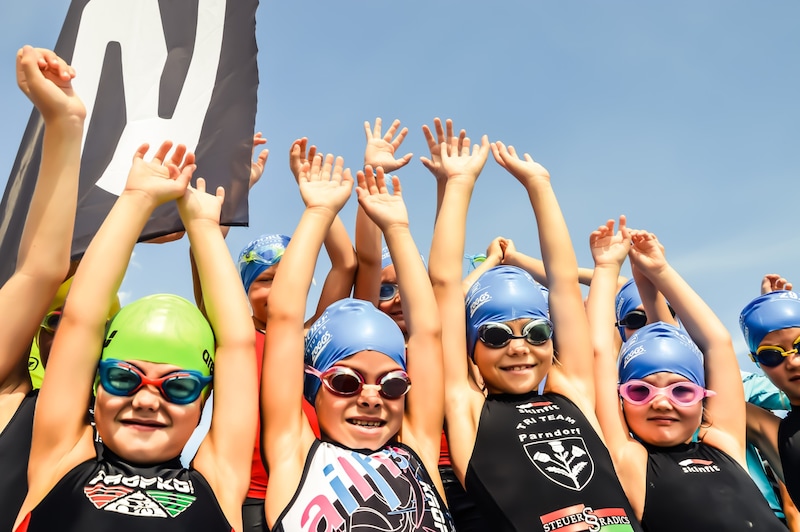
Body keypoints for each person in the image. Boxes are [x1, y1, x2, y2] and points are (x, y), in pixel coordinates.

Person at [14, 142, 258, 532]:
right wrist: (136, 199)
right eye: (124, 379)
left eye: (177, 387)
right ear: (96, 385)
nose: (145, 400)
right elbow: (81, 320)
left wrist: (205, 228)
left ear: (204, 401)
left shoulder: (220, 480)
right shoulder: (59, 460)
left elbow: (237, 344)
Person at [428, 126, 641, 531]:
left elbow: (561, 282)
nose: (519, 346)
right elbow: (443, 286)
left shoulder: (573, 390)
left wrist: (540, 187)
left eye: (537, 332)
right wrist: (457, 185)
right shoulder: (468, 409)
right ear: (471, 348)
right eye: (495, 336)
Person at [260, 153, 454, 530]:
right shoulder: (296, 454)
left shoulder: (418, 451)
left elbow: (428, 333)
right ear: (313, 385)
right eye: (345, 382)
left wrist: (398, 229)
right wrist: (317, 212)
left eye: (393, 384)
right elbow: (284, 318)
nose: (370, 397)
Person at [587, 220, 784, 530]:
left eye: (682, 392)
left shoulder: (722, 443)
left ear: (703, 397)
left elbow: (716, 344)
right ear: (620, 398)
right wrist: (606, 268)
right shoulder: (633, 463)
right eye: (641, 391)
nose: (663, 404)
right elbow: (596, 353)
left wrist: (661, 270)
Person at [0, 45, 85, 532]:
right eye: (54, 320)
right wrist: (64, 124)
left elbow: (41, 272)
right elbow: (38, 272)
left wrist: (65, 123)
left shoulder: (108, 427)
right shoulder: (12, 392)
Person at [740, 286, 800, 509]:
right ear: (757, 362)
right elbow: (674, 373)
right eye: (771, 355)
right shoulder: (776, 435)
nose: (793, 361)